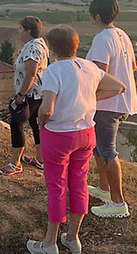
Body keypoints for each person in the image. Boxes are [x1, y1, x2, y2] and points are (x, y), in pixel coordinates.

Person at [26, 25, 125, 254]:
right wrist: (91, 97)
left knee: (56, 187)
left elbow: (47, 108)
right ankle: (72, 238)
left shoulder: (53, 71)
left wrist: (42, 121)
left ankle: (49, 243)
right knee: (79, 184)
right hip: (86, 133)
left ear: (51, 48)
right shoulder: (89, 67)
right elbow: (118, 87)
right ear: (76, 45)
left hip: (59, 134)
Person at [86, 0, 137, 218]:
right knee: (99, 148)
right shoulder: (122, 35)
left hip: (106, 103)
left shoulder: (101, 38)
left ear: (97, 16)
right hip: (121, 100)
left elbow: (99, 73)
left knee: (107, 150)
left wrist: (85, 96)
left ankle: (118, 203)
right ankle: (104, 189)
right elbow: (133, 65)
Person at [0, 17, 49, 175]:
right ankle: (40, 160)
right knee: (35, 124)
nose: (18, 32)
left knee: (16, 124)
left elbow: (31, 73)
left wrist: (21, 94)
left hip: (30, 94)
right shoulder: (38, 44)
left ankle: (15, 163)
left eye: (20, 29)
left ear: (28, 31)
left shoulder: (33, 48)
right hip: (39, 92)